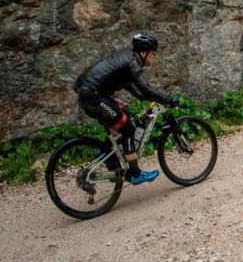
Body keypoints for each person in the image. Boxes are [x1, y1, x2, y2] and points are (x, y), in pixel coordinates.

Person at [73, 33, 179, 184]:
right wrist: (168, 99)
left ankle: (105, 152)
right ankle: (135, 174)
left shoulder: (128, 60)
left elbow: (137, 90)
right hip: (92, 96)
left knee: (124, 113)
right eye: (153, 53)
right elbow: (147, 90)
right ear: (143, 53)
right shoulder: (132, 63)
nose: (154, 57)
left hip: (89, 95)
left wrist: (145, 97)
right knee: (128, 128)